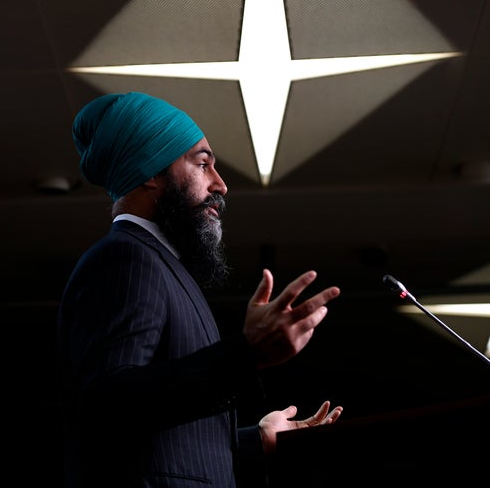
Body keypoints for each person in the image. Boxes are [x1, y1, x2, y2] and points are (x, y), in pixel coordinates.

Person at [57, 91, 343, 488]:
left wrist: (258, 441)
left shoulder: (158, 264)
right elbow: (109, 405)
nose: (221, 185)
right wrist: (246, 352)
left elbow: (168, 445)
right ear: (150, 173)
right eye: (202, 164)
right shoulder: (126, 259)